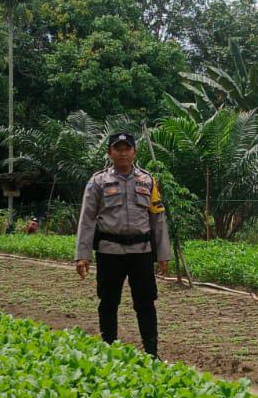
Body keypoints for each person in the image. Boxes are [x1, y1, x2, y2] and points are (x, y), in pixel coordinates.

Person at [74, 132, 172, 358]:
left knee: (146, 303)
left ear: (134, 152)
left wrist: (163, 254)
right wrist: (83, 255)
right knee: (108, 302)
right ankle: (108, 351)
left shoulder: (148, 180)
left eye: (127, 148)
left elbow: (158, 218)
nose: (123, 153)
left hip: (141, 252)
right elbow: (87, 219)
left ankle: (151, 353)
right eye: (117, 149)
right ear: (109, 153)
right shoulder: (97, 182)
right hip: (110, 252)